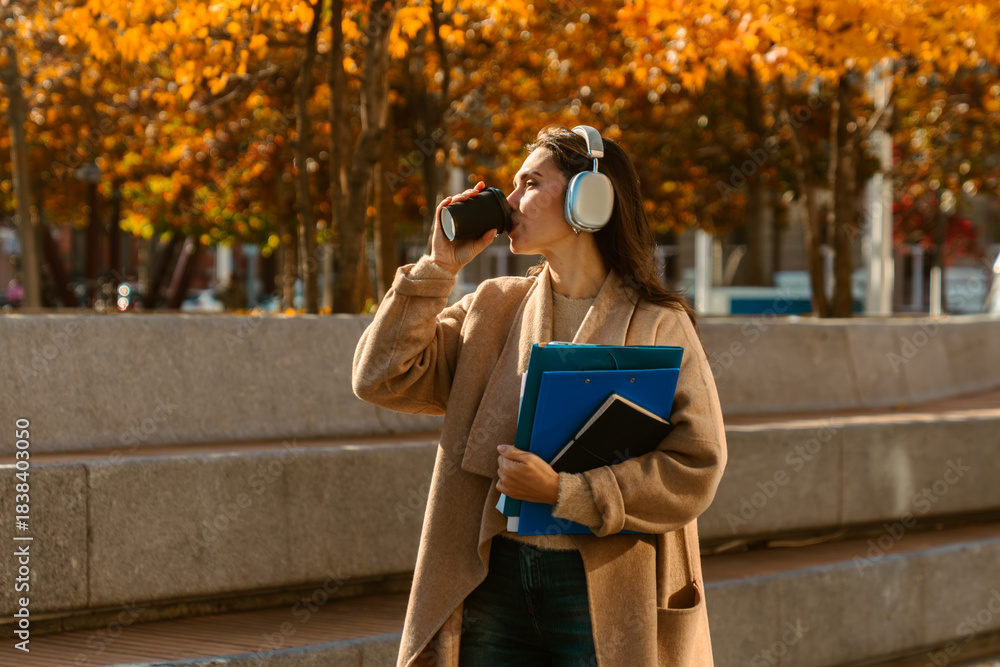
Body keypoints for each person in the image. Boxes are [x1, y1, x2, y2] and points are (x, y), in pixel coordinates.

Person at [352, 125, 727, 666]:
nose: (509, 202)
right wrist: (437, 269)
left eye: (529, 183)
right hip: (493, 579)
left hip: (601, 587)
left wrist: (567, 492)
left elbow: (697, 464)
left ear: (588, 199)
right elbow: (380, 376)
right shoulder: (492, 308)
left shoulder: (658, 324)